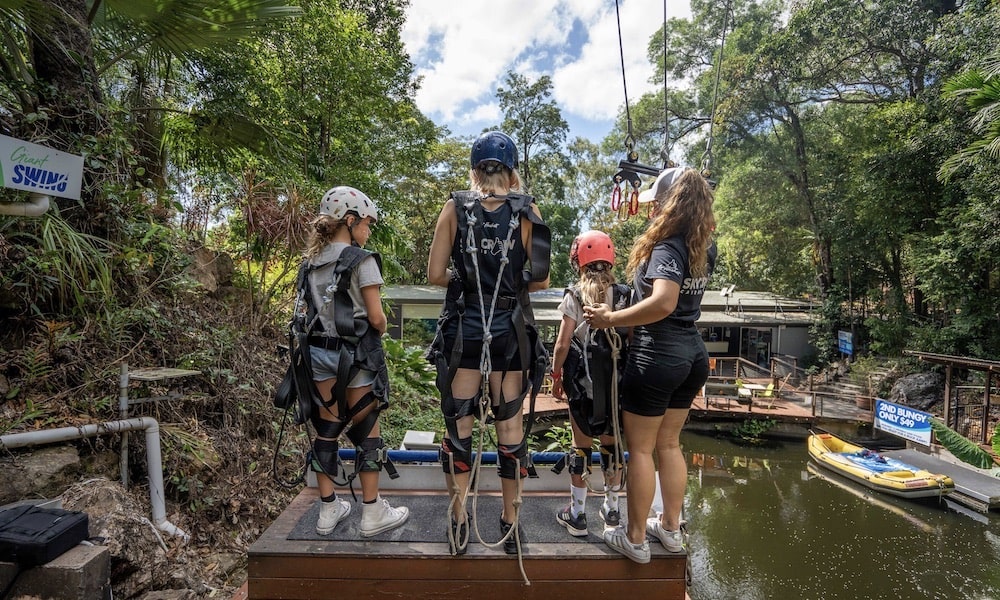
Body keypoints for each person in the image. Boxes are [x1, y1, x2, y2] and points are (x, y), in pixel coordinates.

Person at [426, 130, 551, 555]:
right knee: (510, 429)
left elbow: (435, 273)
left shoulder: (454, 207)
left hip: (464, 332)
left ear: (475, 170)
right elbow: (542, 278)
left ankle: (459, 520)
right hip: (509, 337)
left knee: (459, 429)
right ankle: (510, 524)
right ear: (511, 172)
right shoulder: (528, 210)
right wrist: (509, 286)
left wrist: (467, 281)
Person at [584, 167, 716, 564]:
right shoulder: (704, 244)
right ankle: (671, 530)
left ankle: (636, 538)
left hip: (658, 354)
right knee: (670, 444)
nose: (652, 210)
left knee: (641, 450)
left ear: (668, 203)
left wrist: (610, 319)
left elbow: (663, 302)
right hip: (691, 353)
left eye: (656, 203)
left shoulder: (668, 247)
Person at [297, 185, 409, 538]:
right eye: (367, 223)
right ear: (350, 220)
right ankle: (372, 512)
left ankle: (329, 509)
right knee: (366, 430)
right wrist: (383, 326)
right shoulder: (363, 260)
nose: (369, 230)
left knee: (326, 430)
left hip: (318, 356)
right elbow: (376, 318)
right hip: (356, 357)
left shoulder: (311, 261)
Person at [550, 230, 630, 537]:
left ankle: (578, 515)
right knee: (611, 446)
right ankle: (611, 511)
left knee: (580, 447)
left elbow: (562, 343)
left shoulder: (574, 295)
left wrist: (556, 377)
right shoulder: (624, 295)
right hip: (614, 388)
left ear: (578, 260)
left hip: (583, 387)